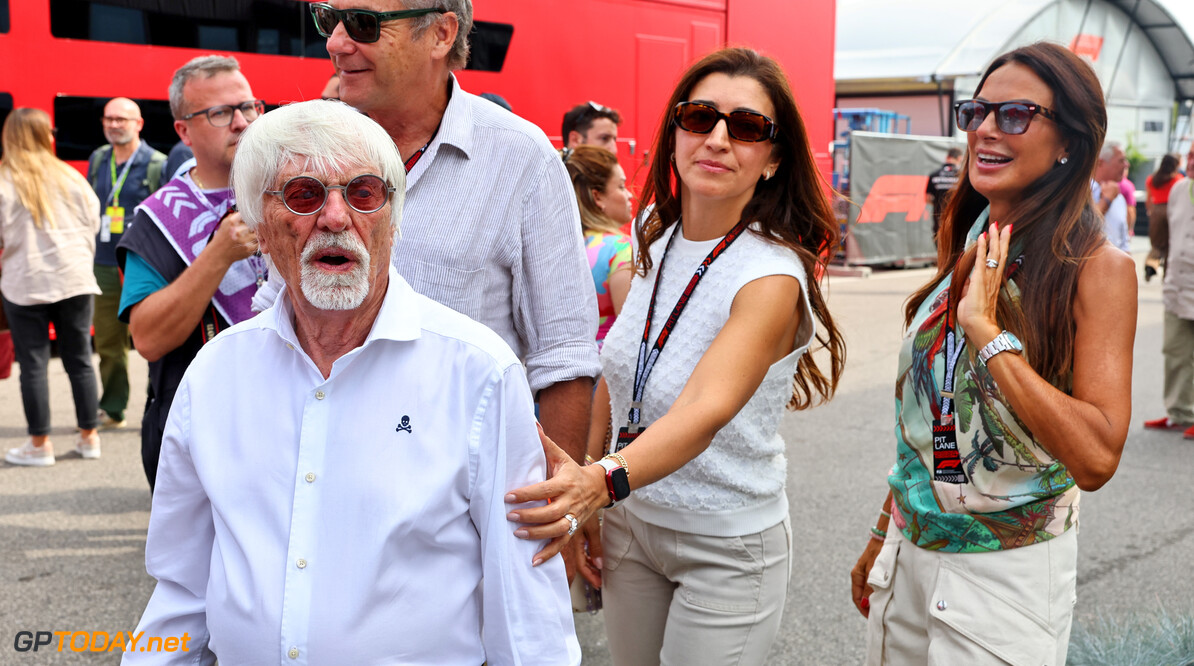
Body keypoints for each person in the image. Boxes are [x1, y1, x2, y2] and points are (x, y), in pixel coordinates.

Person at [123, 99, 580, 665]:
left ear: (393, 218)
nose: (336, 217)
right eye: (304, 194)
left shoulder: (479, 373)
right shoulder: (216, 374)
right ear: (260, 228)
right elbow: (181, 589)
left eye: (363, 194)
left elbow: (524, 602)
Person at [510, 47, 846, 663]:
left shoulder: (770, 276)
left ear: (772, 159)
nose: (718, 138)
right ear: (674, 136)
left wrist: (598, 483)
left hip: (725, 544)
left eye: (746, 127)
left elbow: (704, 408)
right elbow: (618, 371)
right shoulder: (656, 241)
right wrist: (591, 487)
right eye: (699, 118)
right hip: (633, 523)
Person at [851, 42, 1136, 664]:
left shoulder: (1097, 270)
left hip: (1004, 579)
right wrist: (883, 531)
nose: (984, 127)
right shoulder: (973, 240)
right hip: (909, 553)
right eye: (977, 111)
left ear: (1069, 142)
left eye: (1014, 115)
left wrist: (986, 331)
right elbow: (931, 417)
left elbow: (1096, 455)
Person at [310, 0, 600, 568]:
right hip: (322, 485)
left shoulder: (522, 159)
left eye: (363, 24)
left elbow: (563, 357)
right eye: (329, 20)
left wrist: (553, 512)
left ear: (441, 32)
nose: (337, 42)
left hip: (463, 517)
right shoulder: (311, 149)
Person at [116, 55, 264, 490]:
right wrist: (217, 256)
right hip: (202, 427)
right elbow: (148, 337)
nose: (241, 122)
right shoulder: (159, 219)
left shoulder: (292, 192)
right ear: (183, 130)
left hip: (286, 416)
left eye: (249, 107)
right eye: (220, 113)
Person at [0, 108, 103, 465]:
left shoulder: (4, 179)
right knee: (80, 361)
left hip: (25, 281)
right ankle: (89, 438)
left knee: (33, 364)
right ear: (47, 136)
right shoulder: (71, 177)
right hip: (74, 278)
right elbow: (93, 219)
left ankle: (39, 445)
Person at [86, 97, 167, 431]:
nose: (114, 124)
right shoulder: (99, 158)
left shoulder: (157, 164)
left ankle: (159, 403)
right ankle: (114, 406)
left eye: (122, 119)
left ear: (139, 124)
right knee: (108, 342)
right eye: (109, 118)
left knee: (156, 339)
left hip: (143, 263)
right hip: (104, 262)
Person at [564, 145, 634, 348]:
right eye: (621, 186)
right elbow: (630, 333)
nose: (629, 195)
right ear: (598, 197)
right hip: (604, 372)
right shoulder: (620, 249)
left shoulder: (559, 247)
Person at [1144, 172, 1194, 437]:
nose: (1192, 161)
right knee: (1176, 351)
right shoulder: (1178, 189)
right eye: (1191, 155)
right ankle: (1180, 413)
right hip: (1179, 284)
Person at [1143, 153, 1181, 281]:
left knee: (1156, 245)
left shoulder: (1152, 179)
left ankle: (1150, 265)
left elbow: (1148, 200)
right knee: (1170, 246)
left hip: (1156, 211)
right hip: (1172, 211)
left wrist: (1151, 212)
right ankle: (1167, 276)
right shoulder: (1178, 180)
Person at [1094, 141, 1131, 253]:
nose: (1126, 165)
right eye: (1121, 160)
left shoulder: (1119, 199)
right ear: (1101, 163)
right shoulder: (1082, 193)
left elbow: (1124, 244)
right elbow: (1082, 230)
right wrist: (1105, 201)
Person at [925, 146, 962, 241]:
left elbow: (927, 198)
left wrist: (937, 203)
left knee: (938, 237)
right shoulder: (962, 176)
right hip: (957, 215)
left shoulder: (934, 175)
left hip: (938, 214)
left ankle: (941, 255)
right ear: (959, 158)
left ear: (947, 158)